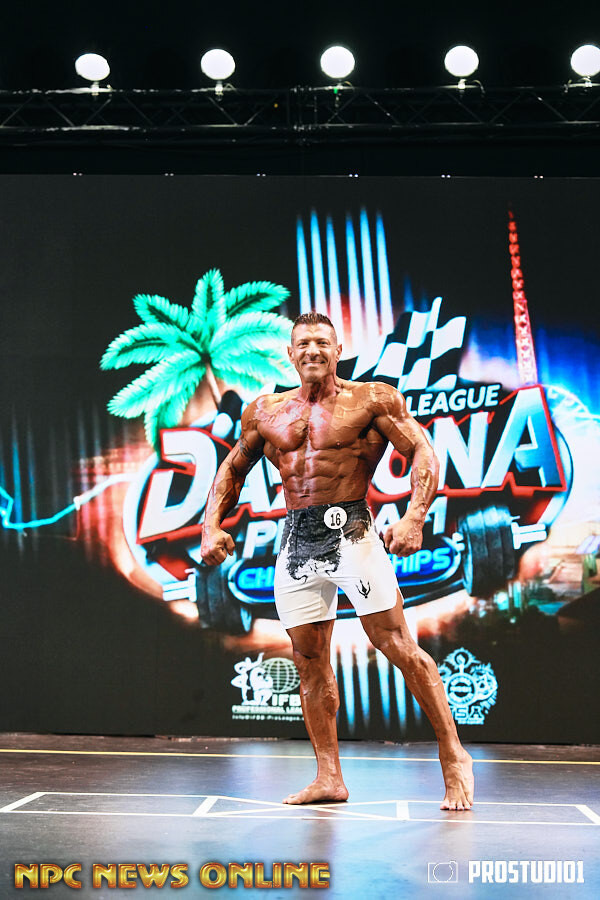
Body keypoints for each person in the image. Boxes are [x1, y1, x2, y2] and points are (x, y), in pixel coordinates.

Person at [201, 312, 474, 811]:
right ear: (290, 353)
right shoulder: (265, 411)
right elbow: (233, 468)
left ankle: (453, 756)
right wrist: (211, 525)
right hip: (296, 541)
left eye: (322, 343)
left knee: (396, 645)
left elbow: (422, 451)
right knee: (308, 661)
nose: (313, 350)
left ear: (338, 350)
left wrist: (414, 518)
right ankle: (329, 777)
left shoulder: (371, 399)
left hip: (353, 532)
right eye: (303, 343)